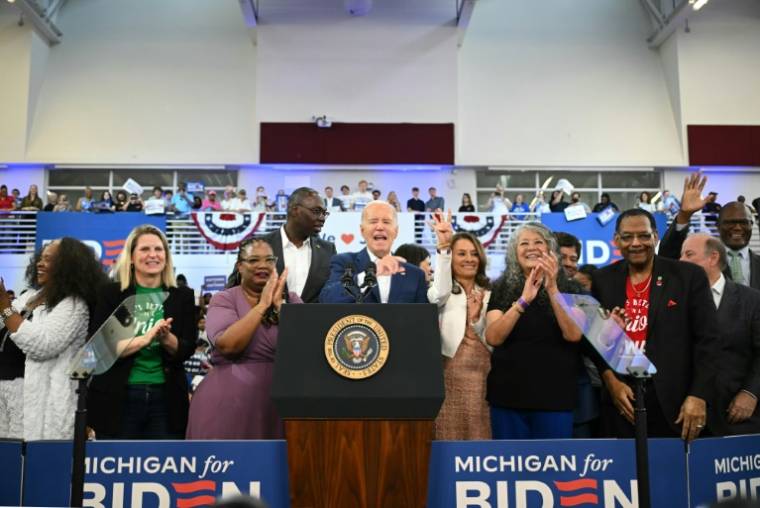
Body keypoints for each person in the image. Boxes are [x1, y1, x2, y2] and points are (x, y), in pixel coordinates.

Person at [591, 208, 720, 441]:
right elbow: (594, 341)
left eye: (643, 235)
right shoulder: (603, 279)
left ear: (656, 237)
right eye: (627, 237)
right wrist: (611, 381)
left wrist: (699, 395)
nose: (636, 243)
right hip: (622, 398)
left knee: (674, 474)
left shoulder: (688, 276)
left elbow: (708, 341)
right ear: (616, 241)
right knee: (625, 473)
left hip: (676, 401)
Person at [87, 225, 197, 439]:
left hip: (166, 400)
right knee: (118, 467)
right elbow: (100, 348)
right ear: (130, 257)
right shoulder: (110, 294)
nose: (153, 255)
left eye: (159, 249)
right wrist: (144, 339)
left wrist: (166, 339)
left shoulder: (182, 295)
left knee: (162, 467)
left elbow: (187, 349)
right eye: (145, 249)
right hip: (117, 397)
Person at [187, 239, 296, 439]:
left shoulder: (293, 301)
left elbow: (306, 349)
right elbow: (228, 346)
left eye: (269, 260)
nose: (263, 265)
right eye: (254, 260)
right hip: (228, 404)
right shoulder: (224, 299)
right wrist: (262, 305)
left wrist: (280, 306)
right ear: (240, 266)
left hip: (281, 406)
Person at [0, 238, 106, 440]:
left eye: (49, 259)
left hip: (36, 404)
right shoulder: (29, 297)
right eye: (40, 258)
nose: (40, 263)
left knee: (30, 464)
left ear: (69, 266)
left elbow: (43, 344)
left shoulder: (73, 305)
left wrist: (5, 307)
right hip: (4, 398)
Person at [485, 223, 583, 439]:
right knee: (510, 470)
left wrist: (552, 288)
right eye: (524, 243)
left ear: (551, 250)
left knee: (554, 469)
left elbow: (573, 334)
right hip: (507, 399)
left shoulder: (573, 289)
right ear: (514, 252)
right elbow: (493, 336)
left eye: (539, 242)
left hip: (555, 400)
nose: (531, 247)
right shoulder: (502, 287)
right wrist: (523, 300)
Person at [680, 233, 760, 436]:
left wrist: (751, 393)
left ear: (713, 257)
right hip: (685, 417)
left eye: (689, 254)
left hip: (738, 416)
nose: (681, 261)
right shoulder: (675, 301)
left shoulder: (751, 300)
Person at [427, 211, 492, 440]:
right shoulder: (442, 292)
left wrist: (476, 320)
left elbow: (494, 338)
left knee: (480, 434)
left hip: (484, 376)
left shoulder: (491, 294)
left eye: (474, 254)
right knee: (448, 436)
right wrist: (444, 248)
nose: (469, 259)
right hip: (447, 375)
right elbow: (439, 294)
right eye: (461, 253)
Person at [659, 173, 760, 290]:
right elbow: (666, 259)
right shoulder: (700, 262)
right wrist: (684, 215)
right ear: (718, 226)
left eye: (743, 222)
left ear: (751, 225)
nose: (737, 227)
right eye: (730, 222)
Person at [320, 201, 428, 304]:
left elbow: (421, 317)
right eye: (373, 221)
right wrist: (370, 273)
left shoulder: (415, 274)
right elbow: (327, 299)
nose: (380, 227)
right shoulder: (343, 262)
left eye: (386, 222)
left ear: (396, 231)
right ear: (362, 231)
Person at [260, 187, 336, 303]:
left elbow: (334, 295)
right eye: (316, 211)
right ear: (294, 210)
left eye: (324, 213)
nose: (322, 218)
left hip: (315, 320)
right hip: (268, 320)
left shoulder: (328, 250)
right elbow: (235, 290)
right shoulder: (260, 245)